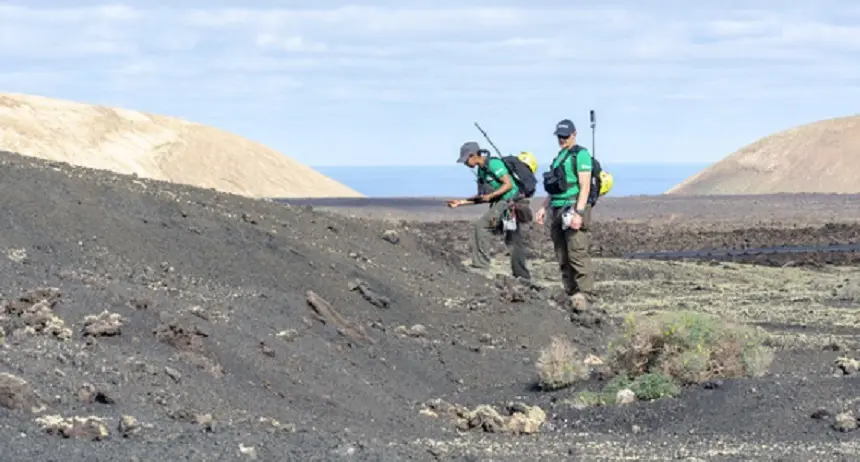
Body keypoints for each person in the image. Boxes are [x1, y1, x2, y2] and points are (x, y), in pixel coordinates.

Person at [447, 141, 531, 280]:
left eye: (465, 160)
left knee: (481, 227)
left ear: (473, 155)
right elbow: (483, 197)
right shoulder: (481, 171)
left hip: (508, 202)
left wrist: (491, 196)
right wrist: (461, 203)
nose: (465, 164)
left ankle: (481, 266)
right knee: (513, 240)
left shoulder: (494, 164)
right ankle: (522, 275)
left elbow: (508, 184)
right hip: (503, 203)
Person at [535, 119, 595, 310]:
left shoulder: (582, 155)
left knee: (577, 252)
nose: (562, 139)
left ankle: (585, 297)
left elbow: (584, 186)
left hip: (572, 206)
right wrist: (543, 207)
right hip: (557, 208)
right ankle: (571, 293)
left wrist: (579, 212)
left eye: (565, 136)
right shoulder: (560, 156)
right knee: (562, 254)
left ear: (574, 134)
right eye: (559, 136)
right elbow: (554, 189)